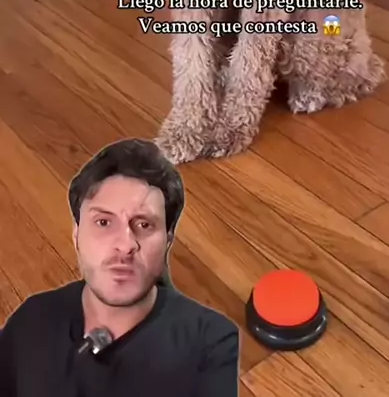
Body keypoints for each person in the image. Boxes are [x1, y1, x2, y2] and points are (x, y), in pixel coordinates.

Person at [0, 138, 239, 396]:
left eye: (144, 225)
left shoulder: (210, 342)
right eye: (103, 222)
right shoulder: (32, 317)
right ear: (76, 235)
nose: (125, 245)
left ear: (168, 240)